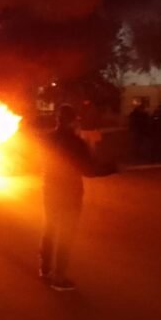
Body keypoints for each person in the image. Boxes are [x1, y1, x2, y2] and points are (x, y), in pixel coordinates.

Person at [39, 104, 113, 291]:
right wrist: (114, 168)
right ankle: (59, 278)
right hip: (69, 192)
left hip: (50, 189)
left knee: (50, 228)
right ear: (73, 121)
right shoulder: (76, 143)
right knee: (66, 233)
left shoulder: (48, 139)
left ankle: (45, 269)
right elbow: (89, 170)